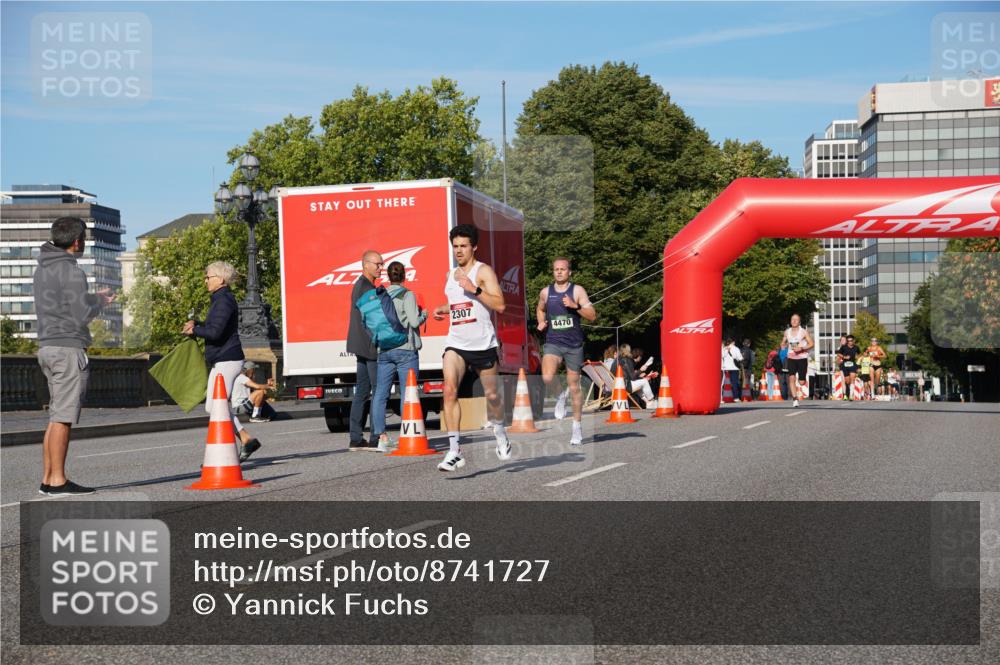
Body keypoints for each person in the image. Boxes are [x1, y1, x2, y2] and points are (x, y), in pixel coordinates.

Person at [33, 217, 114, 496]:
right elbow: (80, 316)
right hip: (68, 348)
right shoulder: (72, 271)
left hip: (47, 346)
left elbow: (63, 304)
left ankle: (48, 479)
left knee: (56, 416)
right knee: (64, 417)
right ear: (78, 241)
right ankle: (58, 481)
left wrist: (92, 297)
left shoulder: (44, 268)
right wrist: (100, 303)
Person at [432, 224, 510, 471]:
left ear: (474, 246)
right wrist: (443, 309)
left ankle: (500, 433)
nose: (459, 251)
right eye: (455, 246)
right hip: (456, 343)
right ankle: (454, 451)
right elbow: (459, 304)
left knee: (492, 396)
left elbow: (500, 305)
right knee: (449, 390)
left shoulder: (483, 271)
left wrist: (474, 288)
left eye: (463, 246)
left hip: (483, 344)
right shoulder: (449, 275)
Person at [184, 261, 263, 462]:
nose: (205, 281)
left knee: (215, 407)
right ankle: (246, 439)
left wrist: (195, 330)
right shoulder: (220, 299)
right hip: (224, 359)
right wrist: (198, 324)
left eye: (208, 277)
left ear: (220, 279)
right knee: (213, 406)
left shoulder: (224, 301)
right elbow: (215, 326)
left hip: (227, 359)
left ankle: (227, 451)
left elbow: (215, 332)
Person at [536, 256, 596, 445]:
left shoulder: (577, 290)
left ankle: (576, 429)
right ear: (553, 272)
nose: (559, 272)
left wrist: (575, 306)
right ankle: (560, 394)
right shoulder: (546, 292)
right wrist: (540, 321)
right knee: (547, 376)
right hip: (553, 341)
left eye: (563, 269)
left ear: (569, 272)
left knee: (574, 387)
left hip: (574, 345)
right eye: (556, 269)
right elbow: (540, 309)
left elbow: (592, 315)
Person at [371, 260, 427, 451]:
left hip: (385, 350)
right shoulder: (407, 295)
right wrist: (424, 315)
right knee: (408, 394)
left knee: (380, 394)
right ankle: (407, 434)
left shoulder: (380, 296)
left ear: (388, 276)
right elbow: (413, 321)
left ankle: (381, 437)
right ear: (404, 276)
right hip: (405, 349)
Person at [346, 250, 384, 452]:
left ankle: (356, 437)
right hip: (370, 345)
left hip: (360, 344)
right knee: (378, 390)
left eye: (381, 264)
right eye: (377, 264)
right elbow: (373, 320)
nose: (380, 268)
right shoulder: (366, 288)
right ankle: (376, 436)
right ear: (365, 264)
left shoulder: (361, 285)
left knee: (362, 390)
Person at [783, 314, 813, 407]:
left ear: (799, 322)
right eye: (792, 319)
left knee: (801, 382)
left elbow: (811, 344)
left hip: (802, 357)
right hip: (791, 357)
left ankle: (802, 379)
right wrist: (783, 344)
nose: (794, 321)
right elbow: (783, 341)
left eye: (796, 320)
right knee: (791, 377)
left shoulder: (803, 332)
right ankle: (795, 399)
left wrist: (801, 348)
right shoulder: (787, 332)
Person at [613, 343, 656, 409]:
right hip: (625, 385)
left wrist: (639, 375)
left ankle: (648, 402)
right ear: (628, 350)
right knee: (644, 382)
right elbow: (632, 377)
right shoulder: (626, 360)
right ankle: (651, 401)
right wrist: (641, 370)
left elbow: (629, 375)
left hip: (615, 384)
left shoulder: (617, 360)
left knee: (640, 384)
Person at [836, 335, 860, 400]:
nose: (850, 342)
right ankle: (846, 393)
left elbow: (859, 355)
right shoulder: (843, 347)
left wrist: (858, 361)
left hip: (853, 364)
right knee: (847, 381)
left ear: (853, 341)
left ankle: (851, 395)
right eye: (848, 341)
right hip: (845, 365)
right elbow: (838, 353)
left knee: (852, 379)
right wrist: (844, 357)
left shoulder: (856, 347)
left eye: (851, 341)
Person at [721, 338, 743, 403]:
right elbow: (740, 358)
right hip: (734, 368)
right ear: (733, 342)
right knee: (734, 383)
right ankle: (735, 397)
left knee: (724, 383)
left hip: (725, 368)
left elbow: (722, 356)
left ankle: (723, 397)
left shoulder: (724, 348)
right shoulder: (736, 348)